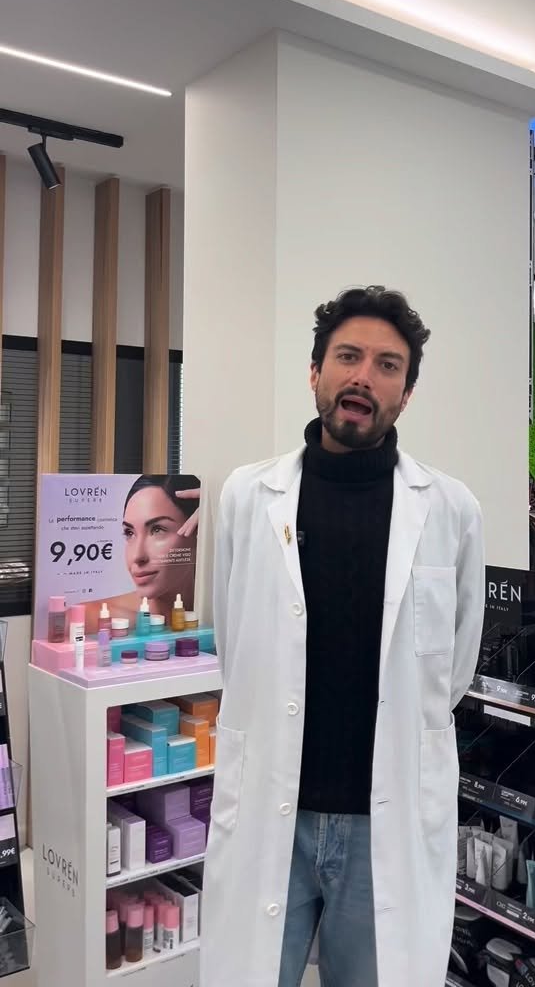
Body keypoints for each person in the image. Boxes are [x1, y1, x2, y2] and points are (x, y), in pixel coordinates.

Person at [201, 285, 485, 987]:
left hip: (383, 825)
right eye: (348, 357)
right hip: (272, 808)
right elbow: (233, 643)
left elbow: (453, 671)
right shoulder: (247, 497)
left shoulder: (451, 511)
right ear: (315, 372)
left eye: (388, 366)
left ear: (406, 395)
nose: (364, 377)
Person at [83, 474, 200, 634]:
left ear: (198, 531)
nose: (137, 556)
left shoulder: (226, 609)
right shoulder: (88, 620)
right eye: (129, 533)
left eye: (157, 530)